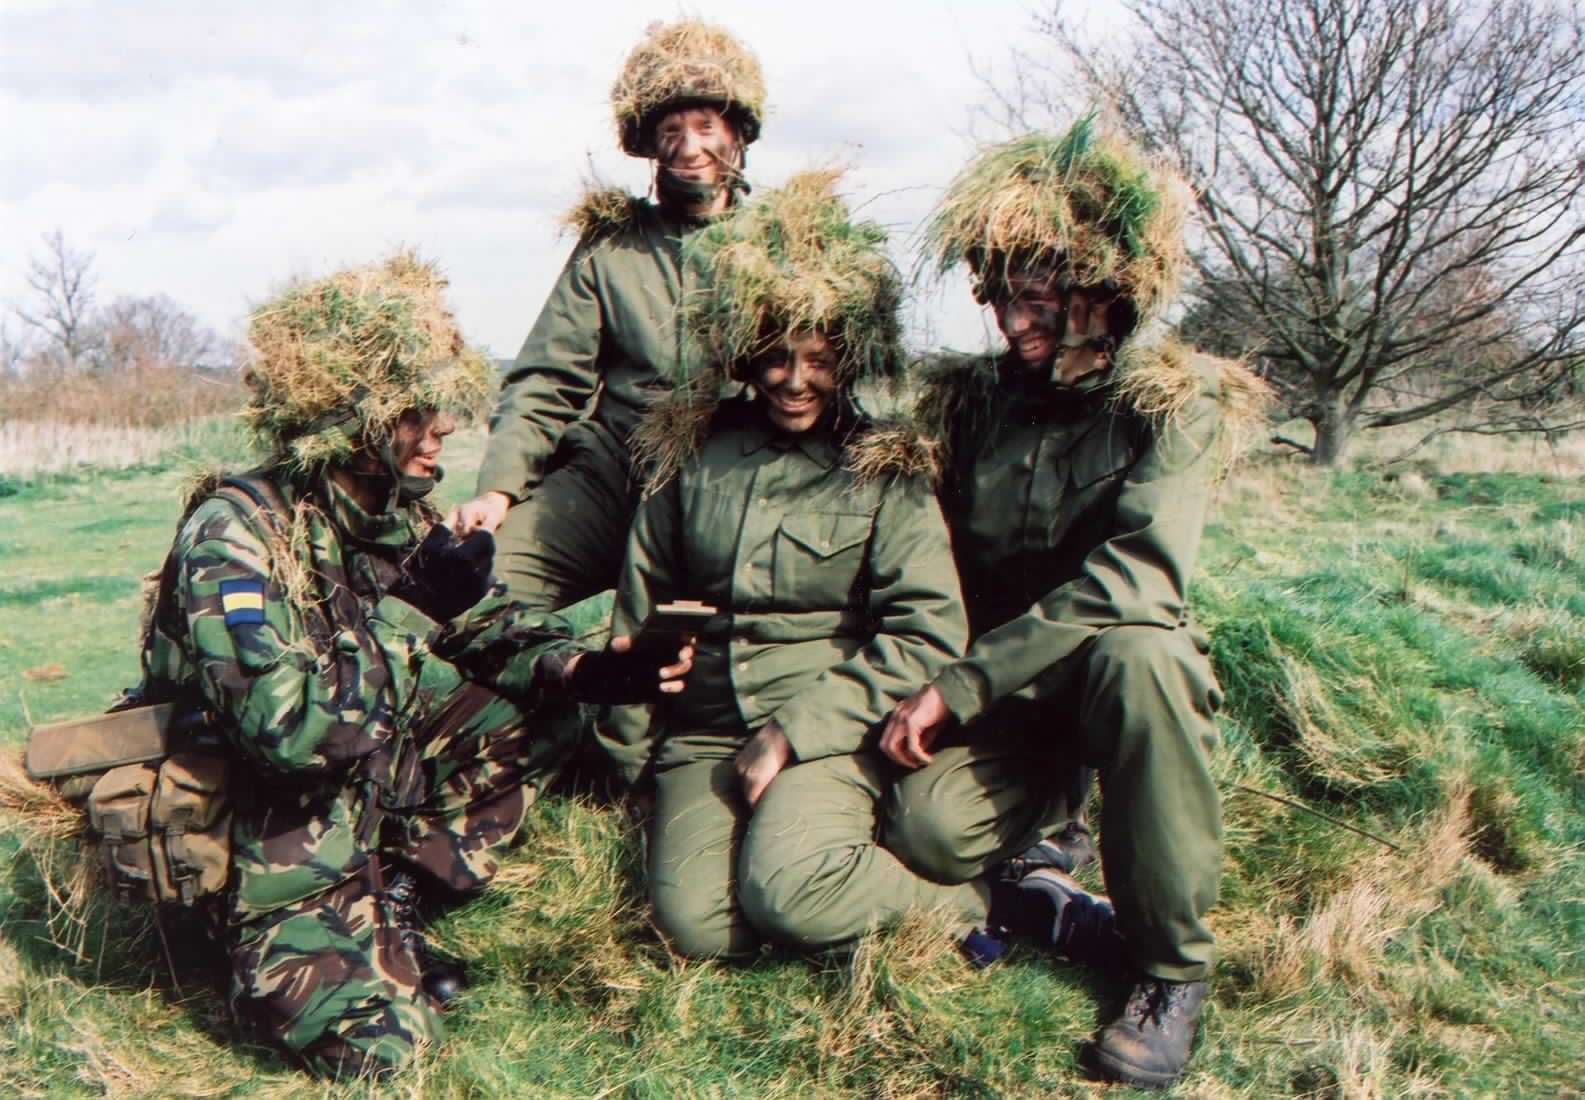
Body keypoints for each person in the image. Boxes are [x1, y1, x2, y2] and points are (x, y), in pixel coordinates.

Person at [136, 252, 691, 1077]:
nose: (442, 428)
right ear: (349, 419)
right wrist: (405, 613)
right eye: (415, 411)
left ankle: (394, 892)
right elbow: (287, 736)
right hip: (267, 836)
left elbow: (480, 627)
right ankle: (240, 946)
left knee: (528, 704)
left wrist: (586, 672)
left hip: (354, 795)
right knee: (389, 1053)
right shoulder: (235, 536)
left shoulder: (385, 509)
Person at [878, 120, 1270, 1089]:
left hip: (1102, 687)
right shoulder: (972, 404)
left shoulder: (1176, 403)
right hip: (1008, 710)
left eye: (1040, 295)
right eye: (1000, 294)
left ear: (1108, 286)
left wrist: (959, 685)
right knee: (922, 829)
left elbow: (1137, 574)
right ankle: (1047, 858)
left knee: (1144, 655)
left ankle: (1168, 970)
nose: (1013, 321)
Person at [602, 170, 988, 958]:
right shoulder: (689, 452)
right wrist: (627, 763)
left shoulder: (885, 466)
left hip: (824, 723)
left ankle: (975, 906)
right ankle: (827, 883)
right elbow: (639, 616)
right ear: (743, 357)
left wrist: (792, 733)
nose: (794, 381)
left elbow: (927, 632)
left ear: (849, 355)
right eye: (774, 358)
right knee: (696, 929)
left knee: (785, 897)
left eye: (818, 359)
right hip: (704, 731)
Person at [449, 18, 768, 617]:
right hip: (615, 470)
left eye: (706, 126)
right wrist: (498, 487)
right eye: (672, 130)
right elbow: (547, 378)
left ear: (738, 135)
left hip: (737, 478)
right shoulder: (612, 246)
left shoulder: (783, 246)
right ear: (650, 145)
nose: (691, 147)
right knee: (478, 589)